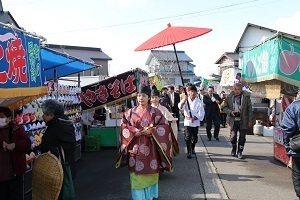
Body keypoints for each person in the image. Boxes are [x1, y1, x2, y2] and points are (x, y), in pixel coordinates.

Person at [116, 84, 173, 200]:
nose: (141, 98)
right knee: (136, 176)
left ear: (148, 97)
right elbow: (124, 125)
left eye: (144, 96)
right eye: (139, 95)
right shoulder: (130, 112)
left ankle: (149, 197)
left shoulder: (155, 112)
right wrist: (134, 130)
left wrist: (151, 131)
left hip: (151, 148)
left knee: (150, 174)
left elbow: (165, 126)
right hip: (135, 149)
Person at [40, 99, 77, 180]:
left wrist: (53, 151)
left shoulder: (61, 124)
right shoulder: (54, 124)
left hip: (61, 168)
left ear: (51, 115)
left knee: (62, 191)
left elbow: (70, 145)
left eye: (44, 114)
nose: (42, 116)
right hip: (55, 167)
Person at [0, 106, 31, 200]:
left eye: (2, 116)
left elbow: (27, 143)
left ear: (9, 118)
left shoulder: (17, 128)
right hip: (1, 175)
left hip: (15, 172)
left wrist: (15, 145)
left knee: (16, 196)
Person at [222, 83, 253, 159]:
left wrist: (250, 121)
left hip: (243, 120)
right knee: (233, 137)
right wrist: (230, 112)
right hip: (233, 120)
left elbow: (250, 110)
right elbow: (224, 107)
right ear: (233, 89)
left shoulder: (246, 97)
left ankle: (240, 151)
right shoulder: (229, 97)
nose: (237, 91)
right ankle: (233, 148)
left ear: (241, 89)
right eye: (235, 89)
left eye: (239, 89)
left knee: (242, 137)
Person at [282, 89, 300, 199]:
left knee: (298, 174)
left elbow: (288, 129)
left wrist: (288, 148)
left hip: (298, 146)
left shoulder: (293, 107)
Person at [179, 85, 205, 159]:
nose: (193, 93)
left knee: (195, 138)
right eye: (191, 91)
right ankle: (189, 150)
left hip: (195, 122)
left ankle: (192, 147)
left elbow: (202, 112)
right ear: (189, 92)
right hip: (188, 122)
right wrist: (184, 101)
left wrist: (195, 117)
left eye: (194, 92)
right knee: (188, 137)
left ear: (196, 93)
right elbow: (180, 107)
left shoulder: (199, 101)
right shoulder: (186, 100)